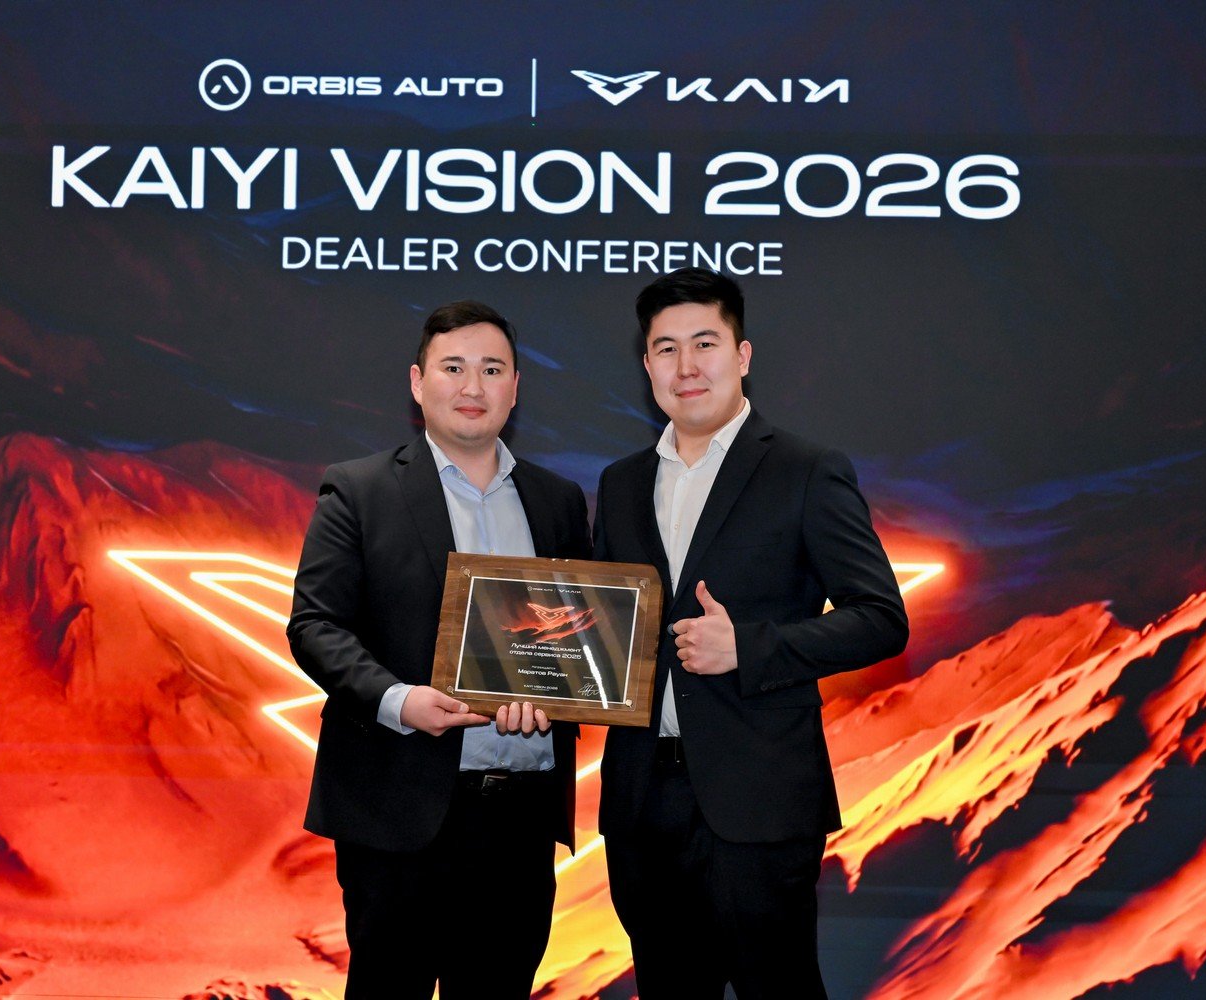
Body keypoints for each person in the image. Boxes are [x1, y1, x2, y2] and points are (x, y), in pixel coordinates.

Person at [592, 268, 909, 999]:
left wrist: (751, 647)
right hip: (642, 801)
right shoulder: (621, 483)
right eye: (666, 348)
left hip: (759, 800)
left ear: (742, 356)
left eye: (705, 343)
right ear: (647, 366)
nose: (686, 365)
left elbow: (880, 618)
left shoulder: (806, 470)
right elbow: (610, 631)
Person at [287, 300, 591, 1000]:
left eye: (492, 370)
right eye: (453, 368)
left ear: (515, 388)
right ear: (418, 382)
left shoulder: (559, 502)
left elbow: (578, 637)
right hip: (399, 813)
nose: (473, 386)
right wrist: (399, 701)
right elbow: (315, 626)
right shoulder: (359, 490)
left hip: (520, 822)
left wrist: (557, 697)